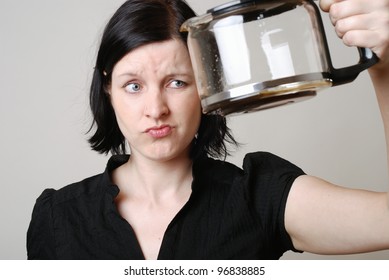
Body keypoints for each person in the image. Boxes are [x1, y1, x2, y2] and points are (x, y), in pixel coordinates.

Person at [27, 0, 389, 260]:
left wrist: (381, 64)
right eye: (133, 86)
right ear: (108, 90)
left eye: (177, 82)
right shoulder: (58, 217)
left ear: (206, 86)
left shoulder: (257, 197)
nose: (156, 110)